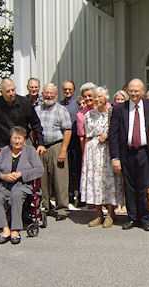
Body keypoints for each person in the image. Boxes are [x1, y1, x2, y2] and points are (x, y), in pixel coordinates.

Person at [109, 79, 149, 231]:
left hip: (144, 152)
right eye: (131, 91)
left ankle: (144, 218)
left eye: (137, 91)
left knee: (143, 186)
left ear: (143, 91)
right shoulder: (119, 109)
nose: (134, 94)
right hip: (126, 152)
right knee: (129, 186)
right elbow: (113, 135)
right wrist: (115, 157)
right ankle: (132, 217)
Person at [0, 126, 44, 245]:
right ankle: (5, 229)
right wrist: (3, 176)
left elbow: (40, 170)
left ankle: (15, 230)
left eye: (20, 138)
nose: (17, 141)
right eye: (15, 138)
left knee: (16, 195)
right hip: (5, 185)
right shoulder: (5, 151)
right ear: (10, 139)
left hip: (23, 185)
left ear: (24, 140)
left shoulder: (30, 151)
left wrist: (21, 174)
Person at [80, 86, 123, 228]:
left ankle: (110, 214)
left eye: (100, 97)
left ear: (106, 98)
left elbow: (118, 131)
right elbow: (86, 136)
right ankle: (98, 214)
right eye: (95, 97)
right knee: (95, 182)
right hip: (93, 151)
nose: (97, 99)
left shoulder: (112, 113)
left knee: (109, 181)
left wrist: (108, 135)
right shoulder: (89, 115)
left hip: (108, 150)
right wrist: (85, 155)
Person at [35, 83, 72, 221]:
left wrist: (63, 150)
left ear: (56, 95)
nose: (49, 95)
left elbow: (67, 130)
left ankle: (62, 208)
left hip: (57, 146)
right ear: (42, 94)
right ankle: (45, 205)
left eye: (52, 93)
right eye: (46, 93)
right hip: (41, 147)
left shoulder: (61, 110)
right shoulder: (37, 109)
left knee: (60, 178)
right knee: (41, 178)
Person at [0, 78, 45, 157]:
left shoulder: (25, 102)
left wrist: (40, 144)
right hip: (3, 144)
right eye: (8, 91)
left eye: (13, 90)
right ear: (1, 92)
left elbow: (36, 124)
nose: (11, 93)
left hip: (22, 142)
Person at [59, 80, 81, 205]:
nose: (67, 91)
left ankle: (80, 195)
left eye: (70, 89)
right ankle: (69, 195)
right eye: (65, 89)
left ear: (73, 90)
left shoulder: (77, 104)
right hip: (64, 139)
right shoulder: (60, 104)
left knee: (77, 168)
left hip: (76, 139)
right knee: (66, 169)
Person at [77, 83, 98, 156]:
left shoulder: (106, 108)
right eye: (84, 96)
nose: (87, 98)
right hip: (90, 150)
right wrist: (84, 155)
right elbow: (82, 138)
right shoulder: (81, 115)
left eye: (89, 95)